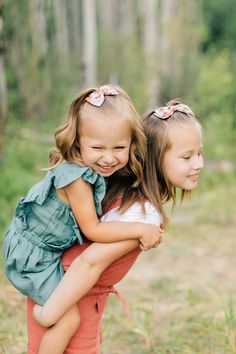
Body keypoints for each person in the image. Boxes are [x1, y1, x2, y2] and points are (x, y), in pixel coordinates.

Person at [27, 99, 204, 353]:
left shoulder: (120, 187)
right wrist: (55, 309)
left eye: (199, 153)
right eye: (186, 156)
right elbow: (90, 262)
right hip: (69, 297)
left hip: (60, 287)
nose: (197, 163)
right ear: (154, 157)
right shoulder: (141, 216)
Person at [3, 85, 164, 354]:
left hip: (42, 249)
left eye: (119, 147)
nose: (109, 157)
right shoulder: (76, 179)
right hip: (33, 256)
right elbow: (94, 230)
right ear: (77, 142)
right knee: (67, 319)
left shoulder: (92, 168)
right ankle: (45, 317)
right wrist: (140, 227)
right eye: (98, 147)